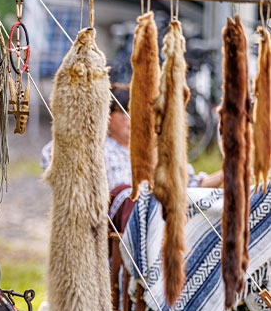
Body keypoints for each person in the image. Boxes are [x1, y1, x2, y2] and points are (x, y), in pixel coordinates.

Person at [40, 83, 222, 230]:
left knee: (206, 202)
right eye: (125, 112)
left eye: (136, 112)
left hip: (158, 215)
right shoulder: (96, 147)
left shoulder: (153, 150)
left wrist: (229, 172)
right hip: (117, 223)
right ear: (108, 117)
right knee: (128, 194)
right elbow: (49, 157)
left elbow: (194, 185)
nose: (131, 118)